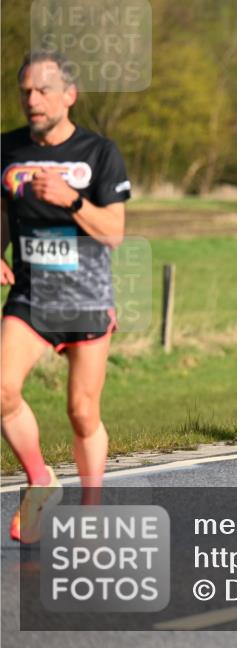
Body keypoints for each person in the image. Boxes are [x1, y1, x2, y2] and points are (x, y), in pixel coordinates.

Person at [1, 51, 130, 542]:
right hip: (31, 296)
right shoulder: (7, 149)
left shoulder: (99, 152)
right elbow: (3, 212)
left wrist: (71, 200)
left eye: (43, 91)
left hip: (87, 298)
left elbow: (114, 232)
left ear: (69, 95)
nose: (33, 100)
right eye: (26, 92)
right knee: (2, 388)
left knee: (82, 412)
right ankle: (40, 480)